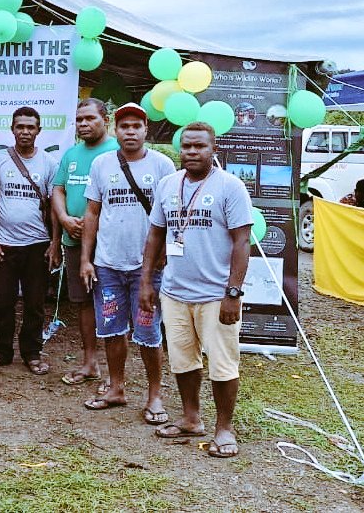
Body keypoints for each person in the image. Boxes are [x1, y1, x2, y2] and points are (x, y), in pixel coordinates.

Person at [140, 121, 252, 458]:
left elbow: (242, 241)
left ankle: (224, 428)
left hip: (216, 295)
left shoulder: (230, 187)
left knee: (222, 364)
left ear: (212, 148)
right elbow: (156, 235)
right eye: (186, 146)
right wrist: (146, 281)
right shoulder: (168, 184)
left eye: (199, 146)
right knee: (182, 359)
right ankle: (191, 419)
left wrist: (232, 293)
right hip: (175, 292)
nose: (191, 152)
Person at [78, 102, 176, 423]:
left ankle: (155, 396)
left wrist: (166, 252)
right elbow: (92, 213)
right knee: (111, 330)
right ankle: (116, 388)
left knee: (148, 332)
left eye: (136, 126)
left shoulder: (162, 166)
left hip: (146, 268)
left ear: (146, 130)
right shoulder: (102, 165)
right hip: (107, 265)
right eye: (124, 127)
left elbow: (173, 214)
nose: (130, 132)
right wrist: (86, 259)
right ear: (114, 130)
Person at [0, 106, 58, 375]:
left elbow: (54, 205)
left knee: (35, 303)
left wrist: (54, 243)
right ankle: (2, 351)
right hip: (4, 244)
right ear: (12, 129)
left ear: (39, 131)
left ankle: (32, 353)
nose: (25, 132)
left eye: (30, 127)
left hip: (38, 244)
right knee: (2, 301)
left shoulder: (49, 163)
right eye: (20, 127)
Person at [53, 98, 118, 386]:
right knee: (83, 303)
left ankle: (115, 370)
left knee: (112, 303)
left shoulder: (118, 151)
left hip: (108, 243)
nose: (83, 124)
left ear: (106, 120)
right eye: (79, 120)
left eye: (89, 118)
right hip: (75, 239)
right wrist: (66, 219)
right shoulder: (71, 154)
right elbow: (57, 190)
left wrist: (96, 225)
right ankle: (90, 362)